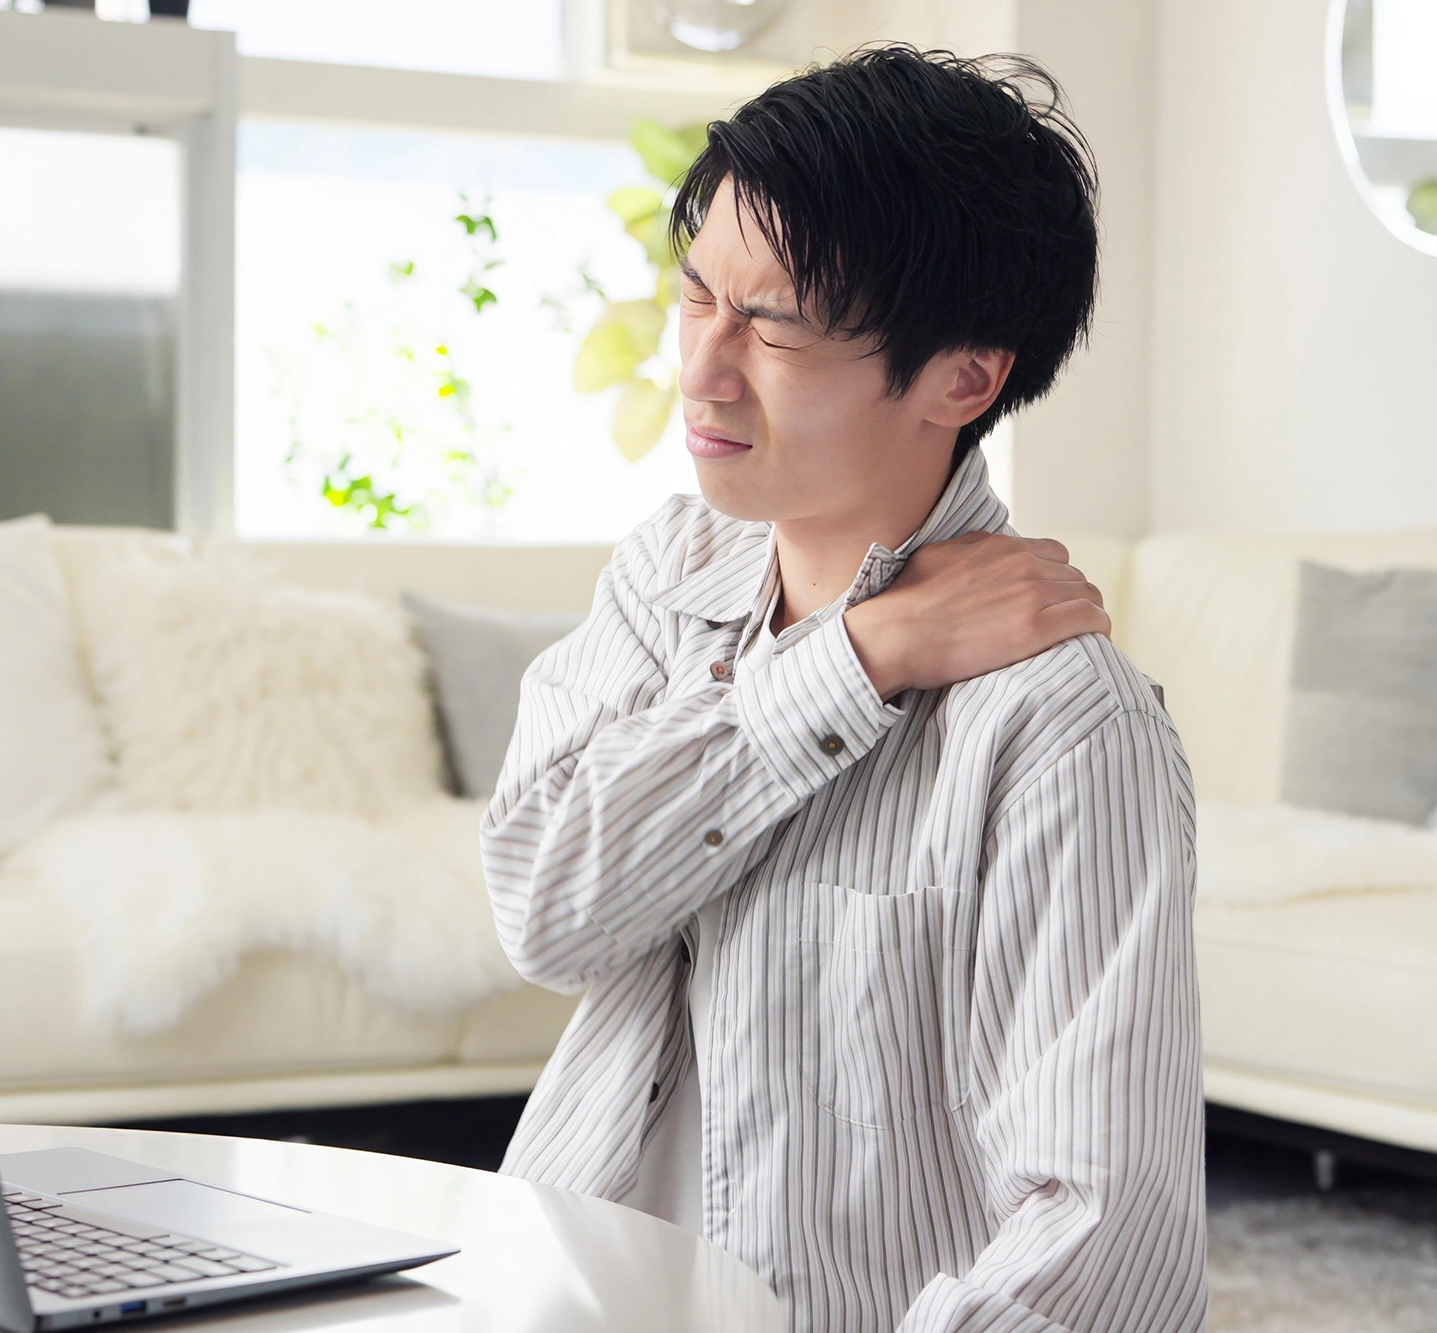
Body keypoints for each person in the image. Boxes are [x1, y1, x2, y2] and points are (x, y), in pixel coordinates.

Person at [482, 46, 1204, 1333]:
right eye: (696, 294)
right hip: (561, 1294)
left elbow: (1101, 1234)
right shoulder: (664, 580)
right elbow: (545, 913)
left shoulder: (1059, 724)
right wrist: (857, 658)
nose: (701, 368)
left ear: (962, 377)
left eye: (774, 326)